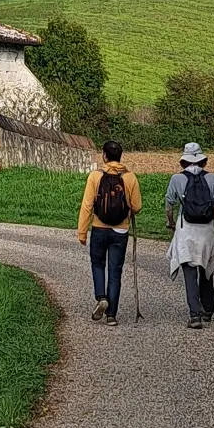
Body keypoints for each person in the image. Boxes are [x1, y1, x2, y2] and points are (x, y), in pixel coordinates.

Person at [164, 143, 214, 328]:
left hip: (187, 231)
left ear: (184, 160)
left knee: (189, 271)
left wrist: (169, 223)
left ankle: (195, 315)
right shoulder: (213, 178)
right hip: (207, 231)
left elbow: (169, 205)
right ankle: (208, 308)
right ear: (203, 160)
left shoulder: (177, 179)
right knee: (207, 269)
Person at [77, 140, 142, 326]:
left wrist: (82, 232)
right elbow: (137, 206)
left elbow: (87, 205)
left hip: (99, 227)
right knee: (115, 271)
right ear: (120, 156)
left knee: (98, 264)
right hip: (120, 230)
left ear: (105, 156)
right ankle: (111, 315)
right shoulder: (130, 177)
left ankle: (101, 297)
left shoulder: (95, 176)